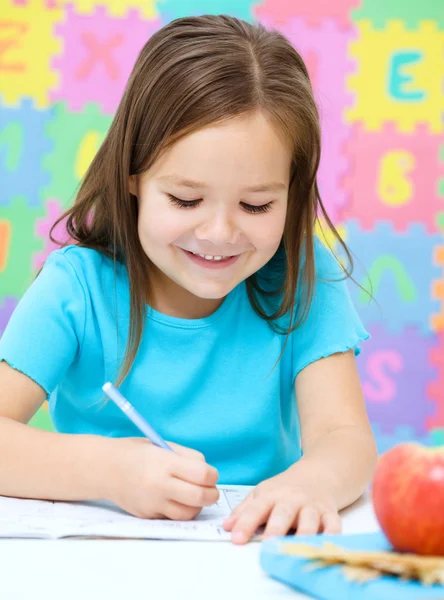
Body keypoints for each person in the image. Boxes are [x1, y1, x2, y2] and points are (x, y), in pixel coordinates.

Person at [0, 14, 378, 545]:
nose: (220, 233)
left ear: (291, 195)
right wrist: (109, 470)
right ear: (133, 176)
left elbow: (346, 438)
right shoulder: (76, 289)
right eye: (185, 199)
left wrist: (314, 480)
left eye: (256, 204)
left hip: (251, 560)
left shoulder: (300, 276)